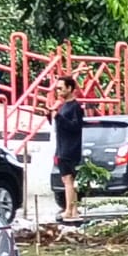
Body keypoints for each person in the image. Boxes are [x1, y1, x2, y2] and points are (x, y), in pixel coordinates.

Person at [52, 77, 85, 222]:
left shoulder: (75, 107)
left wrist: (58, 117)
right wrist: (51, 115)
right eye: (57, 88)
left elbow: (75, 127)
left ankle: (70, 210)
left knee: (68, 179)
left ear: (70, 88)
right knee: (67, 179)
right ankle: (72, 209)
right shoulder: (64, 106)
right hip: (62, 146)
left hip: (70, 148)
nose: (58, 91)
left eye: (61, 88)